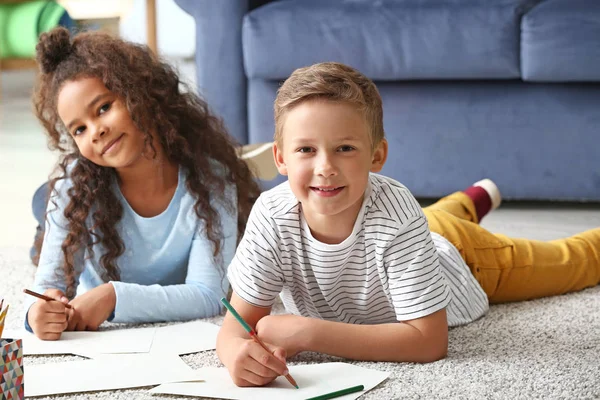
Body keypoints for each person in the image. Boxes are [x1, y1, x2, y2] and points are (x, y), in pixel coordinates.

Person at [216, 62, 600, 387]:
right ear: (281, 158)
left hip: (469, 260)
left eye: (345, 148)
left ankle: (467, 207)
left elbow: (427, 343)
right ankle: (469, 200)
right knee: (430, 218)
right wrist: (235, 352)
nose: (325, 167)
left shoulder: (397, 213)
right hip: (409, 235)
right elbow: (236, 324)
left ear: (377, 155)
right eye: (306, 150)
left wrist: (308, 331)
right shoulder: (271, 213)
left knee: (574, 260)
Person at [25, 27, 261, 340]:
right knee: (51, 199)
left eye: (104, 108)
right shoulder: (76, 189)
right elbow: (44, 292)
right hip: (79, 194)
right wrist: (38, 314)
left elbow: (209, 296)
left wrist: (113, 297)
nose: (95, 131)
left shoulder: (212, 180)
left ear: (140, 93)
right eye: (79, 130)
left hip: (114, 287)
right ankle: (44, 216)